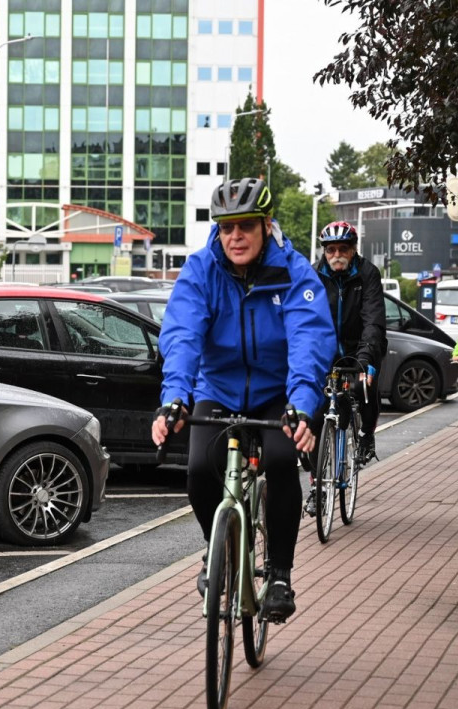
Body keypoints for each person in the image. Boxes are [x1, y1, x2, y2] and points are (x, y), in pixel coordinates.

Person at [152, 178, 335, 623]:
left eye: (246, 227)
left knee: (279, 458)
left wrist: (302, 404)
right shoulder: (201, 270)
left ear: (266, 226)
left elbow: (309, 339)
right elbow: (182, 334)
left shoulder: (293, 271)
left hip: (277, 393)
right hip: (218, 389)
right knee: (198, 468)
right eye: (226, 227)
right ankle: (214, 551)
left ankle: (279, 574)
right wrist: (175, 398)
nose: (235, 237)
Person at [301, 220, 387, 516]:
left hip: (359, 347)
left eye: (343, 249)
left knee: (367, 386)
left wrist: (364, 360)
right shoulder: (312, 275)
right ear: (324, 251)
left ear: (354, 250)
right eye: (331, 249)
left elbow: (373, 321)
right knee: (314, 416)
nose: (337, 254)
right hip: (324, 352)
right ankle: (316, 487)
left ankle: (367, 435)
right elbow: (304, 321)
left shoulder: (367, 274)